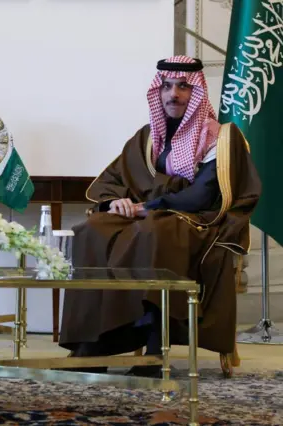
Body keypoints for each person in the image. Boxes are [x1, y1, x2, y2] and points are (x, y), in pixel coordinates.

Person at [59, 56, 261, 376]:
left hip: (200, 221)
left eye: (183, 87)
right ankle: (94, 344)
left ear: (196, 92)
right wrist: (115, 203)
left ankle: (154, 344)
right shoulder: (148, 136)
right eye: (166, 86)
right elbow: (115, 180)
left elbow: (202, 195)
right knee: (92, 229)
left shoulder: (220, 137)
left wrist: (147, 208)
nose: (173, 94)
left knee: (153, 231)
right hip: (150, 216)